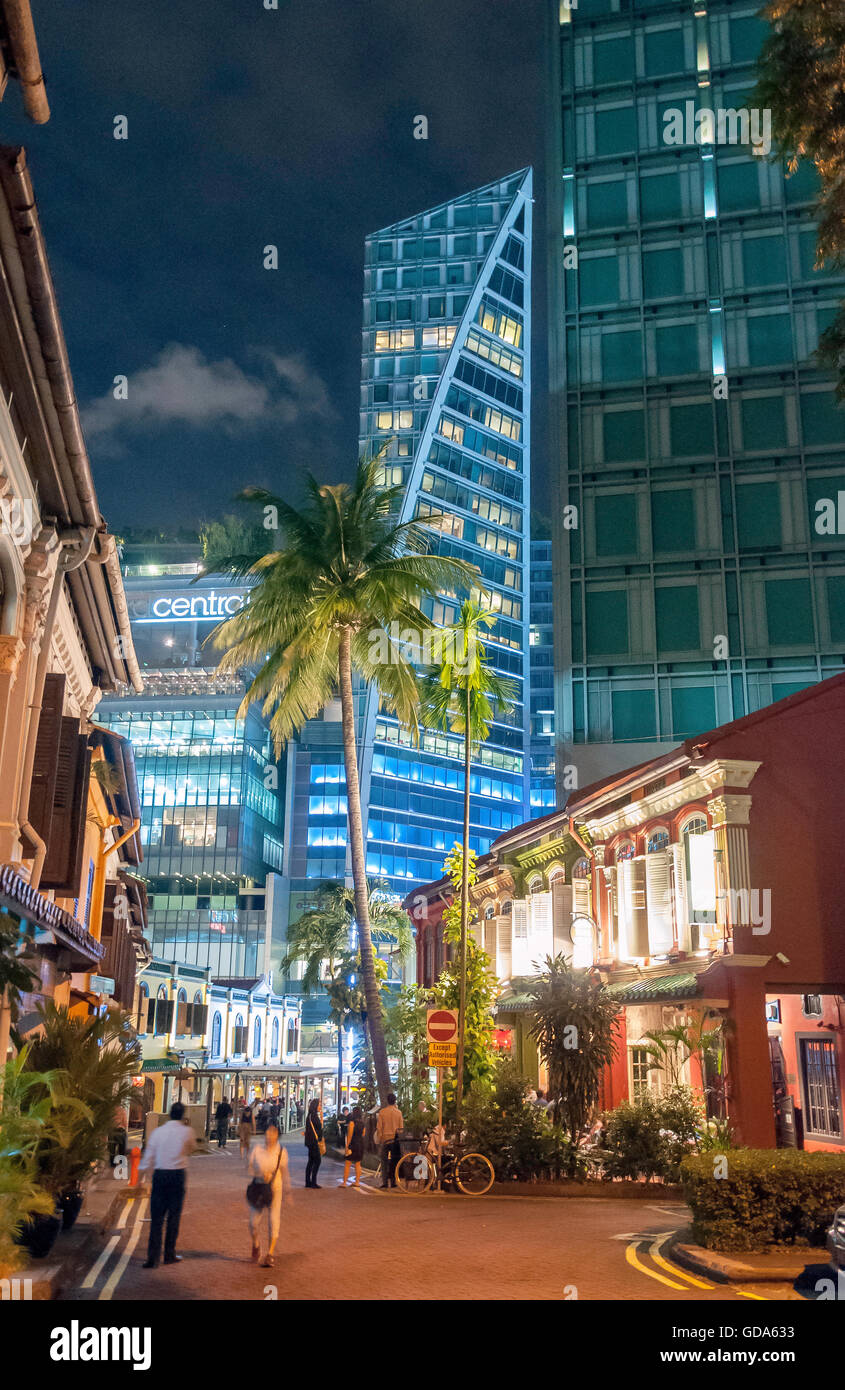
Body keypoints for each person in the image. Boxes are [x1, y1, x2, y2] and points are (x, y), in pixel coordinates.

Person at [139, 1102, 196, 1268]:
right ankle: (169, 1253)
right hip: (177, 1175)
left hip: (160, 1175)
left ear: (170, 1114)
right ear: (182, 1115)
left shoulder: (158, 1132)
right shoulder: (187, 1132)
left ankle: (153, 1257)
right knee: (173, 1217)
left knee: (156, 1218)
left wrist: (139, 1178)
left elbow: (148, 1156)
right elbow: (192, 1148)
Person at [246, 1121, 291, 1268]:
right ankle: (256, 1244)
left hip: (274, 1189)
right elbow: (249, 1169)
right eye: (267, 1133)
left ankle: (270, 1254)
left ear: (277, 1135)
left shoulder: (281, 1152)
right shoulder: (257, 1150)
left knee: (273, 1220)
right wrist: (259, 1173)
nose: (270, 1136)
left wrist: (287, 1191)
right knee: (253, 1223)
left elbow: (285, 1172)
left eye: (273, 1133)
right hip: (258, 1188)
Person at [375, 1092, 404, 1190]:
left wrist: (380, 1139)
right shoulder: (399, 1112)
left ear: (387, 1101)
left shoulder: (382, 1112)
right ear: (395, 1101)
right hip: (395, 1139)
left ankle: (385, 1182)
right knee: (394, 1161)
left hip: (385, 1139)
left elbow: (379, 1128)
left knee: (384, 1161)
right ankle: (393, 1181)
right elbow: (401, 1128)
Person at [341, 1105, 365, 1187]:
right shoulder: (362, 1123)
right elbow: (363, 1134)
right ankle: (357, 1182)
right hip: (360, 1144)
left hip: (353, 1144)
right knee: (358, 1163)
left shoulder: (352, 1123)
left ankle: (344, 1182)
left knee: (348, 1163)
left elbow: (349, 1136)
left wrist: (347, 1147)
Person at [304, 1097, 324, 1188]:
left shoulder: (310, 1115)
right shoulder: (314, 1116)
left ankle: (308, 1182)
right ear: (315, 1106)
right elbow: (319, 1129)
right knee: (317, 1161)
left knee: (311, 1161)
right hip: (314, 1142)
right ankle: (313, 1182)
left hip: (309, 1141)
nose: (320, 1107)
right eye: (319, 1105)